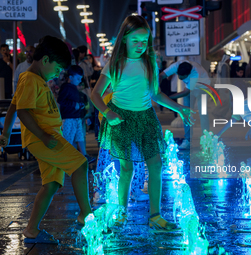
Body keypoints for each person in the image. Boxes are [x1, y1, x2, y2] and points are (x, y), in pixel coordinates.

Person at [91, 15, 194, 231]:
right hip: (121, 119)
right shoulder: (115, 64)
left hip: (146, 118)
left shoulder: (150, 63)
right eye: (136, 40)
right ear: (125, 38)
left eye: (144, 41)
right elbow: (95, 95)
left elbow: (155, 94)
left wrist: (180, 108)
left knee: (155, 165)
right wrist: (107, 113)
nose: (141, 45)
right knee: (126, 169)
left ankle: (155, 215)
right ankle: (121, 212)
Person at [0, 35, 92, 243]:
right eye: (57, 69)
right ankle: (85, 213)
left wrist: (5, 133)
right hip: (44, 138)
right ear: (46, 60)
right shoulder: (31, 79)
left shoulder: (33, 79)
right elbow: (23, 112)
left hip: (46, 137)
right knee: (80, 164)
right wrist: (42, 135)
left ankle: (32, 230)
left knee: (51, 184)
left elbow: (14, 106)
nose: (57, 74)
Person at [159, 60, 210, 149]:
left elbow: (185, 92)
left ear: (189, 74)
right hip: (189, 89)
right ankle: (188, 140)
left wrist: (166, 98)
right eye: (178, 75)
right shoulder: (176, 66)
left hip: (203, 88)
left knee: (203, 114)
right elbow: (161, 75)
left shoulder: (195, 73)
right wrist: (157, 89)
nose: (179, 77)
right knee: (186, 112)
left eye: (182, 76)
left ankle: (206, 140)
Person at [57, 65, 96, 163]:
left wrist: (79, 106)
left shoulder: (73, 88)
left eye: (80, 78)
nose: (80, 80)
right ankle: (66, 157)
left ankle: (84, 156)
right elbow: (61, 100)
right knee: (68, 138)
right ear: (70, 78)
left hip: (76, 117)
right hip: (69, 118)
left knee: (79, 136)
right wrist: (74, 105)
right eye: (78, 78)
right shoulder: (66, 88)